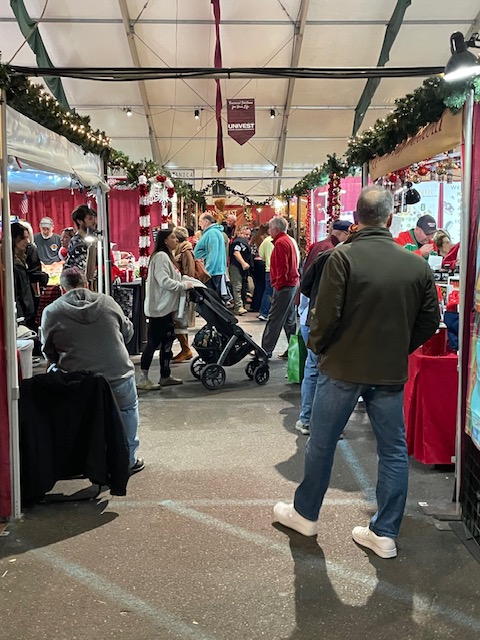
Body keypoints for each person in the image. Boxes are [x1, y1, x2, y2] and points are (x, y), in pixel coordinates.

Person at [273, 187, 440, 559]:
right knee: (393, 451)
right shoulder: (415, 263)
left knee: (322, 442)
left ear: (356, 218)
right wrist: (400, 346)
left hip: (342, 368)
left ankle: (305, 513)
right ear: (391, 219)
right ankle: (385, 532)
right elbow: (431, 320)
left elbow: (323, 317)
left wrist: (321, 349)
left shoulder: (342, 258)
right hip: (388, 371)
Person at [41, 267, 144, 474]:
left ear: (63, 289)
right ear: (87, 284)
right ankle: (128, 460)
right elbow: (128, 332)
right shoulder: (108, 302)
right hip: (118, 376)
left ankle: (83, 462)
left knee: (80, 418)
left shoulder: (51, 312)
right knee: (127, 413)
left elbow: (47, 349)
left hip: (79, 383)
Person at [138, 227, 194, 390]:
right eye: (172, 238)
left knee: (167, 342)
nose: (175, 240)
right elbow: (164, 281)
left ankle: (165, 375)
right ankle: (143, 378)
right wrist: (183, 285)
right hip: (159, 309)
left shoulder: (168, 257)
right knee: (153, 342)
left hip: (168, 308)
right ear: (164, 241)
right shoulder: (161, 257)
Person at [261, 217, 299, 358]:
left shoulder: (281, 243)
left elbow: (282, 268)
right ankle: (293, 349)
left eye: (270, 228)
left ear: (275, 229)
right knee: (289, 319)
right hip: (291, 284)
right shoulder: (287, 240)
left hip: (285, 286)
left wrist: (278, 285)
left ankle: (265, 350)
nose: (268, 230)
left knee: (275, 318)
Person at [11, 222, 48, 331]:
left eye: (27, 238)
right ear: (14, 239)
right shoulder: (11, 263)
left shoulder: (22, 258)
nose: (26, 242)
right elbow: (15, 292)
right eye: (23, 238)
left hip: (26, 309)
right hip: (20, 312)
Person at [171, 226, 196, 363]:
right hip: (180, 288)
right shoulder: (182, 250)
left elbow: (189, 272)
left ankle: (186, 349)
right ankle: (184, 349)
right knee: (178, 320)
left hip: (182, 290)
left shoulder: (185, 251)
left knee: (180, 319)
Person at [193, 213, 227, 298]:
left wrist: (207, 272)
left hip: (211, 273)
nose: (199, 224)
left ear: (206, 221)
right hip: (212, 272)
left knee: (210, 300)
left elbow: (213, 253)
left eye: (200, 221)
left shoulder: (212, 233)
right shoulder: (213, 232)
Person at [64, 204, 98, 276]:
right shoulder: (77, 244)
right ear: (79, 221)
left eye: (95, 218)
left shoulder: (90, 239)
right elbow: (86, 272)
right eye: (90, 219)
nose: (95, 222)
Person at [229, 226, 252, 315]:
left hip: (240, 267)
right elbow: (236, 252)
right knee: (237, 286)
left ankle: (240, 305)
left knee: (241, 286)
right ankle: (238, 306)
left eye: (249, 235)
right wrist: (243, 263)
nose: (247, 236)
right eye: (246, 234)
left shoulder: (242, 242)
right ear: (240, 233)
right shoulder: (239, 242)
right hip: (236, 266)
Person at [249, 224, 269, 313]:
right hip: (262, 262)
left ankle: (255, 305)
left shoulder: (255, 238)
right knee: (263, 285)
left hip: (255, 263)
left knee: (258, 285)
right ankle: (260, 305)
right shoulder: (265, 239)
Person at [258, 231, 274, 321]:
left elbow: (261, 254)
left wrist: (267, 260)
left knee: (268, 291)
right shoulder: (288, 239)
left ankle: (264, 312)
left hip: (269, 269)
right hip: (280, 270)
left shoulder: (266, 241)